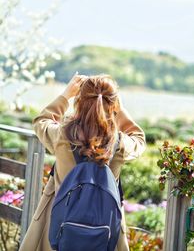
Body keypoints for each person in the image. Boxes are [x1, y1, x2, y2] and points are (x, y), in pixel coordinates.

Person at [19, 74, 146, 251]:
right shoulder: (119, 143)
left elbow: (41, 121)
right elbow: (139, 139)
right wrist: (120, 109)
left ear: (79, 101)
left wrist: (65, 95)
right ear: (114, 104)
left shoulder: (62, 135)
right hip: (105, 229)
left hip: (59, 223)